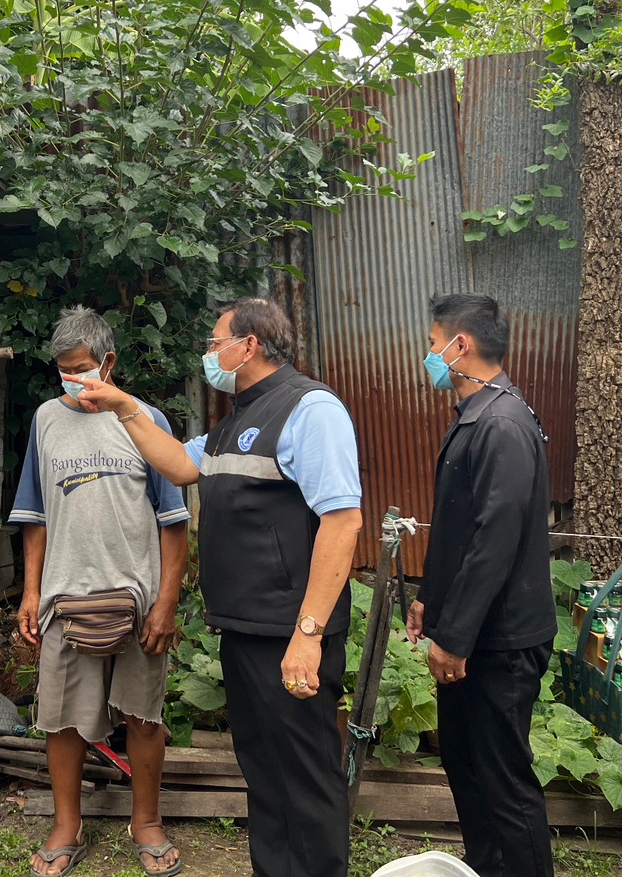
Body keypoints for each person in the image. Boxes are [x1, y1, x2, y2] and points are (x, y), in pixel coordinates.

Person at [75, 297, 363, 877]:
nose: (210, 354)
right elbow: (181, 466)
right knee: (264, 771)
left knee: (305, 779)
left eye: (215, 344)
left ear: (249, 346)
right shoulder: (238, 420)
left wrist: (308, 634)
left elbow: (343, 520)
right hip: (244, 629)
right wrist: (125, 406)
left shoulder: (311, 409)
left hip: (289, 634)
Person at [11, 307, 190, 877]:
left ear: (108, 363)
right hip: (65, 597)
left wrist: (167, 601)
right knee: (60, 721)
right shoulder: (44, 420)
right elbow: (34, 517)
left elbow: (174, 519)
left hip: (138, 601)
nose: (74, 380)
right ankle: (68, 826)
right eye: (64, 370)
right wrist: (30, 592)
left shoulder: (145, 418)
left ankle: (147, 823)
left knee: (143, 716)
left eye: (83, 368)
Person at [406, 294, 557, 877]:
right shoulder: (479, 417)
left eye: (431, 343)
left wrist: (457, 637)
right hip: (472, 633)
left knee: (504, 780)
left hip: (500, 644)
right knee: (467, 767)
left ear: (459, 346)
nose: (429, 355)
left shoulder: (500, 424)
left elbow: (496, 539)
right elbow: (460, 531)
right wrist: (430, 601)